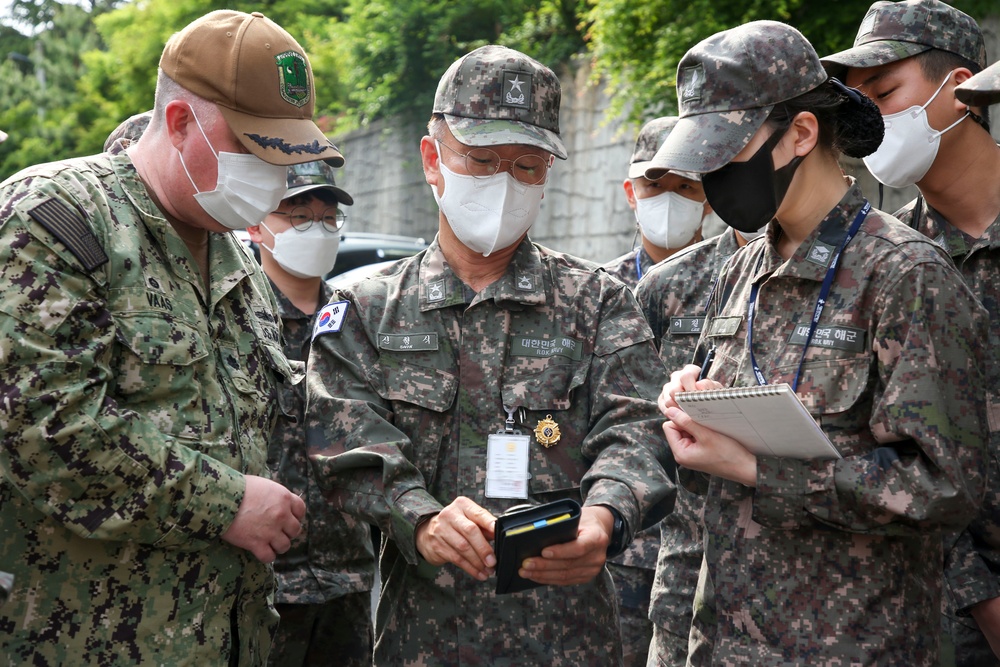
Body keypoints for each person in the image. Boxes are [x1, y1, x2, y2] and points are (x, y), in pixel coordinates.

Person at [305, 44, 676, 666]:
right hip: (424, 640)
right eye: (480, 160)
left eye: (526, 165)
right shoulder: (366, 310)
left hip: (569, 639)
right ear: (433, 158)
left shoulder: (598, 303)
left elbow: (637, 427)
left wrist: (607, 514)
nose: (503, 182)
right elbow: (342, 435)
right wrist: (419, 518)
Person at [0, 10, 346, 664]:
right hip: (82, 640)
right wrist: (228, 501)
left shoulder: (238, 260)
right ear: (183, 121)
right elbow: (43, 428)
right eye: (256, 149)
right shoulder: (56, 218)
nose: (276, 175)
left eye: (288, 153)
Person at [647, 20, 988, 665]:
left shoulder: (903, 275)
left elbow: (944, 488)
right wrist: (702, 405)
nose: (716, 177)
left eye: (729, 152)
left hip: (854, 645)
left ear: (802, 133)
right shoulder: (743, 267)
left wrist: (755, 467)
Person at [821, 3, 1000, 663]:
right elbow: (886, 457)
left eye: (886, 92)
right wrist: (984, 602)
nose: (870, 117)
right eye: (857, 101)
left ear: (959, 89)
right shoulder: (877, 262)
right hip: (948, 612)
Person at [246, 161, 377, 667]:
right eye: (298, 216)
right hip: (264, 584)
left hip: (348, 578)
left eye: (327, 219)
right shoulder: (234, 316)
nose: (316, 230)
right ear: (257, 223)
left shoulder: (358, 319)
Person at [634, 224, 758, 667]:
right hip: (686, 574)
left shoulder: (897, 268)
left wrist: (759, 471)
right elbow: (632, 418)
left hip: (809, 605)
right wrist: (678, 393)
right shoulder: (733, 272)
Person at [603, 117, 721, 287]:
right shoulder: (605, 286)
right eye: (655, 185)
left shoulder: (732, 279)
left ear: (710, 198)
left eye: (685, 186)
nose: (669, 199)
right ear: (631, 194)